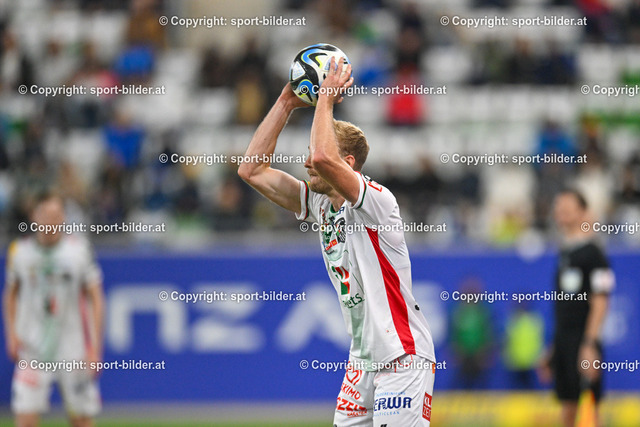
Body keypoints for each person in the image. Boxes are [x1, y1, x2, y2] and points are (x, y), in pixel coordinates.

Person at [238, 57, 436, 426]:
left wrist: (325, 98)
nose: (306, 162)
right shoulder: (320, 205)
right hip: (362, 361)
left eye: (316, 155)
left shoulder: (377, 202)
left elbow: (322, 157)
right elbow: (251, 170)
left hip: (402, 354)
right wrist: (285, 102)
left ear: (347, 162)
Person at [3, 192, 104, 427]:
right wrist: (12, 334)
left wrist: (95, 348)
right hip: (33, 348)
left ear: (64, 218)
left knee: (82, 419)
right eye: (46, 215)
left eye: (57, 215)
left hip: (73, 349)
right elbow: (10, 294)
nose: (52, 221)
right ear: (34, 216)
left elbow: (96, 298)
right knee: (25, 418)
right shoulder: (19, 252)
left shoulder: (79, 251)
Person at [538, 190, 614, 427]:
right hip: (564, 341)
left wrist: (590, 344)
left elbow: (601, 301)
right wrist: (554, 348)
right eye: (558, 207)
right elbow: (565, 307)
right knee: (568, 406)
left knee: (589, 407)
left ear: (582, 211)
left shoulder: (594, 254)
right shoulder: (565, 252)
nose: (560, 212)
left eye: (567, 207)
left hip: (583, 340)